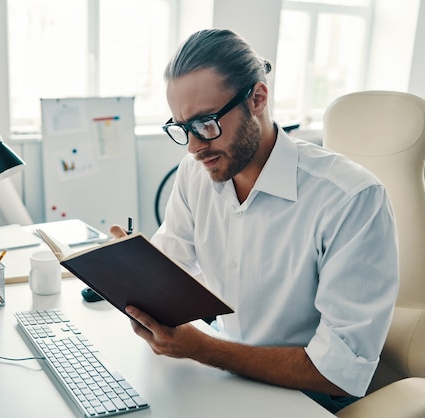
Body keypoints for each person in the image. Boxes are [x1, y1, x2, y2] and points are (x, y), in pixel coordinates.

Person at [110, 29, 399, 413]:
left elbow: (337, 372)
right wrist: (130, 270)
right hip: (223, 373)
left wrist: (203, 349)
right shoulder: (195, 174)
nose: (195, 146)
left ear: (258, 99)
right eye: (182, 128)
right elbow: (172, 267)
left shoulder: (351, 200)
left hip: (306, 397)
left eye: (206, 123)